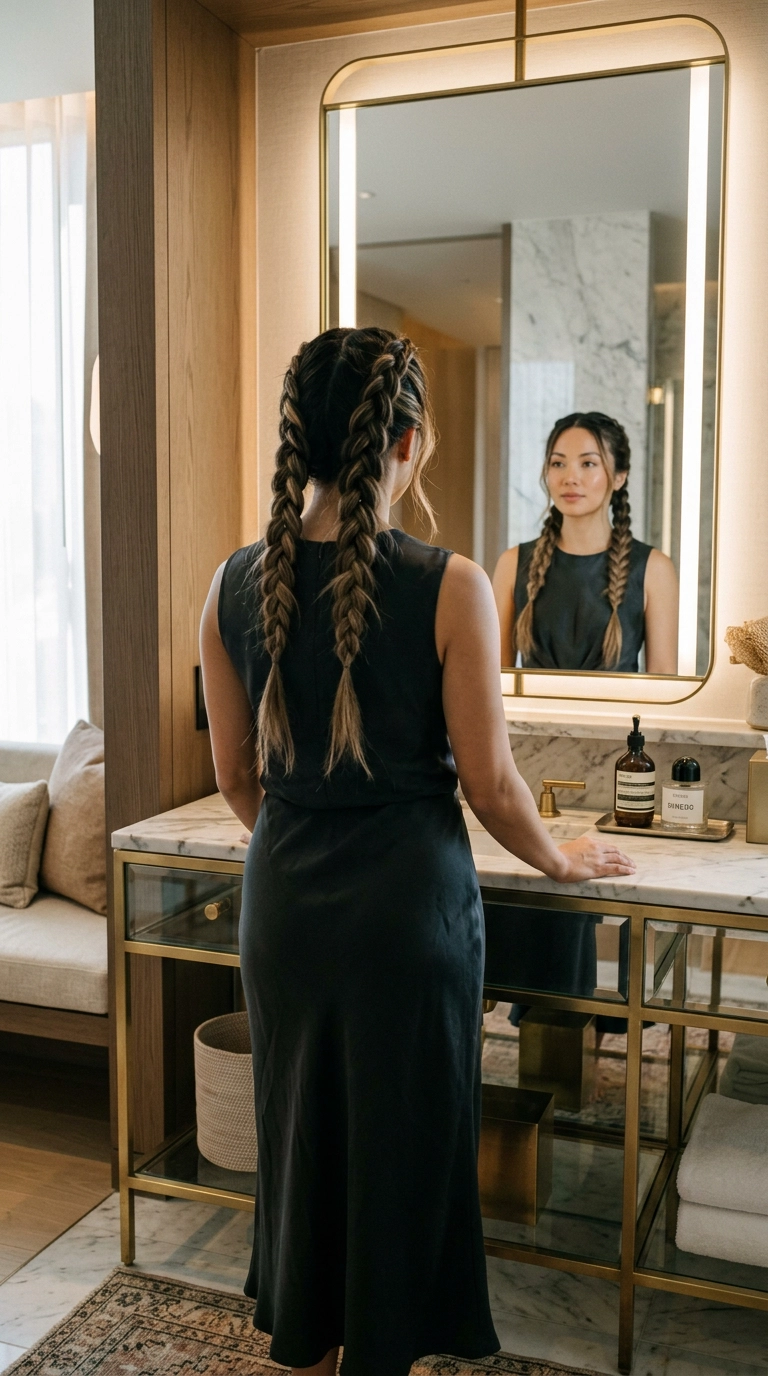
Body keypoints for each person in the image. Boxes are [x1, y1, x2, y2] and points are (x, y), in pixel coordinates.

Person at [199, 328, 635, 1376]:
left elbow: (237, 778)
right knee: (402, 1153)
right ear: (410, 442)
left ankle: (304, 1349)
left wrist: (306, 849)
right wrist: (561, 860)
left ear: (298, 441)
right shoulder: (449, 584)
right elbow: (491, 784)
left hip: (286, 908)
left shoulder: (232, 581)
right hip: (409, 917)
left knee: (301, 1143)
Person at [493, 412, 679, 673]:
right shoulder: (512, 564)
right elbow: (493, 681)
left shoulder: (654, 569)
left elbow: (663, 686)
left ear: (619, 477)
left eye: (588, 464)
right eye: (558, 463)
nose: (570, 477)